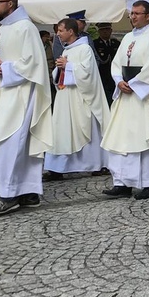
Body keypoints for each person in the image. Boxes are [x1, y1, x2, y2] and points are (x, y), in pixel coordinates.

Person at [0, 0, 53, 214]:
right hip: (3, 92)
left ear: (10, 4)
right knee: (11, 145)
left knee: (11, 144)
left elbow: (31, 63)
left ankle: (9, 194)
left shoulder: (26, 28)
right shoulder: (3, 29)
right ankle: (28, 192)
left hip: (21, 94)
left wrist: (3, 68)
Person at [100, 0, 149, 200]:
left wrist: (134, 84)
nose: (133, 16)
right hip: (126, 95)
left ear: (148, 16)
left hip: (145, 97)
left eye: (137, 13)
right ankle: (123, 182)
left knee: (145, 139)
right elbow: (117, 63)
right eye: (132, 13)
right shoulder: (127, 37)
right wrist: (119, 81)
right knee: (123, 139)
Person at [44, 18, 110, 178]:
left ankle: (95, 164)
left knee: (85, 129)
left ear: (71, 31)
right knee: (62, 130)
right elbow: (59, 73)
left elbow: (87, 73)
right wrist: (59, 70)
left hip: (81, 98)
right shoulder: (67, 50)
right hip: (65, 96)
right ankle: (57, 168)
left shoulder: (84, 49)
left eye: (60, 30)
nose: (57, 34)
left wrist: (68, 66)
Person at [92, 23, 120, 105]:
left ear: (111, 30)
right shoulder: (95, 44)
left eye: (107, 29)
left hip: (115, 76)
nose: (105, 32)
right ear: (99, 31)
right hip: (102, 76)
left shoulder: (116, 43)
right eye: (102, 30)